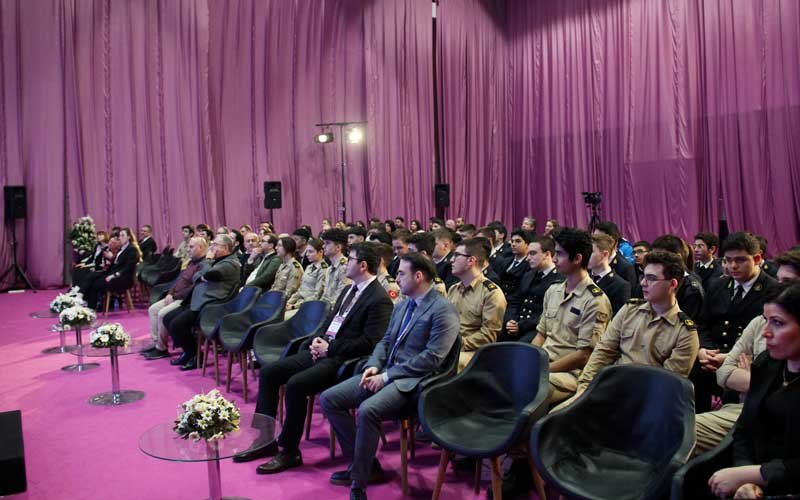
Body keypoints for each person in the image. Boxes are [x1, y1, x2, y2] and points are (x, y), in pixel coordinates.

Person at [235, 243, 393, 474]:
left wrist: (330, 348)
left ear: (363, 265)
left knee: (296, 385)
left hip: (343, 360)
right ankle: (265, 440)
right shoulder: (350, 289)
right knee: (269, 373)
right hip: (325, 351)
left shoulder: (379, 299)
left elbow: (370, 343)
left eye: (350, 259)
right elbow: (331, 323)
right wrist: (318, 341)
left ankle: (289, 450)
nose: (345, 262)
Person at [320, 253, 460, 500]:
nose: (396, 278)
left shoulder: (442, 310)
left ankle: (358, 481)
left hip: (412, 381)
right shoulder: (403, 304)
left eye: (402, 273)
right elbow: (385, 341)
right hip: (385, 372)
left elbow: (432, 359)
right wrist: (374, 366)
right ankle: (365, 464)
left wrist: (386, 376)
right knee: (330, 399)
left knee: (367, 410)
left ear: (419, 276)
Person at [693, 250, 800, 456]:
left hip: (772, 421)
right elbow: (723, 372)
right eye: (778, 281)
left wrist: (756, 377)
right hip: (745, 410)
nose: (779, 289)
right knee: (671, 428)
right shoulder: (762, 322)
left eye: (788, 283)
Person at [707, 284, 800, 499]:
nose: (765, 332)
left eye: (777, 323)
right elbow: (744, 429)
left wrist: (756, 475)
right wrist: (745, 478)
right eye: (765, 320)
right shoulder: (768, 363)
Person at [693, 232, 780, 412]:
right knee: (692, 376)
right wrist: (704, 349)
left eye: (740, 260)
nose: (732, 266)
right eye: (728, 260)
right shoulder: (718, 285)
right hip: (711, 355)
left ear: (757, 258)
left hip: (743, 359)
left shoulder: (773, 290)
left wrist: (727, 358)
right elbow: (702, 323)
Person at [533, 227, 612, 404]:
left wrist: (542, 369)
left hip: (570, 373)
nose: (554, 259)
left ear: (577, 258)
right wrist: (532, 359)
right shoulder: (553, 290)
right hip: (544, 364)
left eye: (559, 254)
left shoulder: (595, 300)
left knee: (532, 387)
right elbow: (541, 334)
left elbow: (584, 356)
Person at [163, 234, 241, 370]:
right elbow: (196, 276)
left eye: (215, 244)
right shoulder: (218, 261)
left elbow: (209, 275)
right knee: (168, 318)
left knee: (177, 325)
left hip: (211, 306)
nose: (211, 247)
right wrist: (203, 274)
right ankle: (189, 352)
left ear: (226, 247)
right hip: (199, 301)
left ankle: (195, 355)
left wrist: (208, 261)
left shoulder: (230, 264)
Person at [143, 237, 209, 360]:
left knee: (162, 313)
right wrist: (170, 293)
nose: (188, 250)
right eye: (188, 246)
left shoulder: (203, 265)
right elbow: (178, 281)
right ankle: (157, 343)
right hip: (174, 296)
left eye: (191, 247)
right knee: (153, 309)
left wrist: (175, 296)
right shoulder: (191, 262)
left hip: (184, 300)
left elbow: (194, 288)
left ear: (201, 248)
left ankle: (161, 349)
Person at [447, 238, 507, 371]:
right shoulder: (453, 289)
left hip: (473, 352)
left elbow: (488, 335)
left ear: (471, 261)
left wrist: (456, 344)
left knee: (443, 363)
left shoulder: (491, 293)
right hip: (450, 346)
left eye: (457, 255)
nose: (451, 260)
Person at [501, 235, 564, 343]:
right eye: (528, 253)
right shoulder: (528, 275)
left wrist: (520, 326)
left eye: (533, 253)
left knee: (520, 348)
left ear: (547, 254)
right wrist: (510, 320)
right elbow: (514, 301)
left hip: (536, 329)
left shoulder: (559, 279)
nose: (528, 257)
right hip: (516, 324)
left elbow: (547, 313)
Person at [81, 227, 141, 309]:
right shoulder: (121, 249)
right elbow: (115, 263)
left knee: (95, 284)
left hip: (123, 278)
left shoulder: (132, 249)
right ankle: (82, 298)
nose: (120, 238)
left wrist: (114, 275)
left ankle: (89, 306)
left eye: (123, 235)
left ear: (129, 237)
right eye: (120, 236)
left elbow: (128, 267)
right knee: (91, 276)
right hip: (113, 273)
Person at [588, 233, 632, 315]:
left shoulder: (621, 286)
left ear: (605, 254)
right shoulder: (585, 277)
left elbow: (618, 321)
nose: (585, 256)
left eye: (590, 252)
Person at [285, 238, 327, 316]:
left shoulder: (323, 269)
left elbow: (317, 295)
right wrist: (288, 302)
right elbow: (300, 290)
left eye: (310, 251)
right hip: (298, 302)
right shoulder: (309, 267)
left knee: (282, 318)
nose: (307, 254)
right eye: (307, 251)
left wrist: (294, 306)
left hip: (308, 306)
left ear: (320, 252)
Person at [490, 228, 533, 301]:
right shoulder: (506, 261)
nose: (513, 244)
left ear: (527, 244)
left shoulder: (529, 265)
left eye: (518, 241)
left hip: (514, 303)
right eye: (512, 241)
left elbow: (521, 291)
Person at [593, 221, 637, 285]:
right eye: (594, 239)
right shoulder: (590, 261)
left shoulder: (625, 268)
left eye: (598, 240)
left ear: (612, 242)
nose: (594, 243)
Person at [320, 229, 352, 308]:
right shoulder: (329, 268)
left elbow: (342, 299)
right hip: (326, 309)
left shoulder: (345, 267)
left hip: (336, 312)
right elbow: (325, 296)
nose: (323, 246)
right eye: (324, 243)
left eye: (327, 243)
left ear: (338, 247)